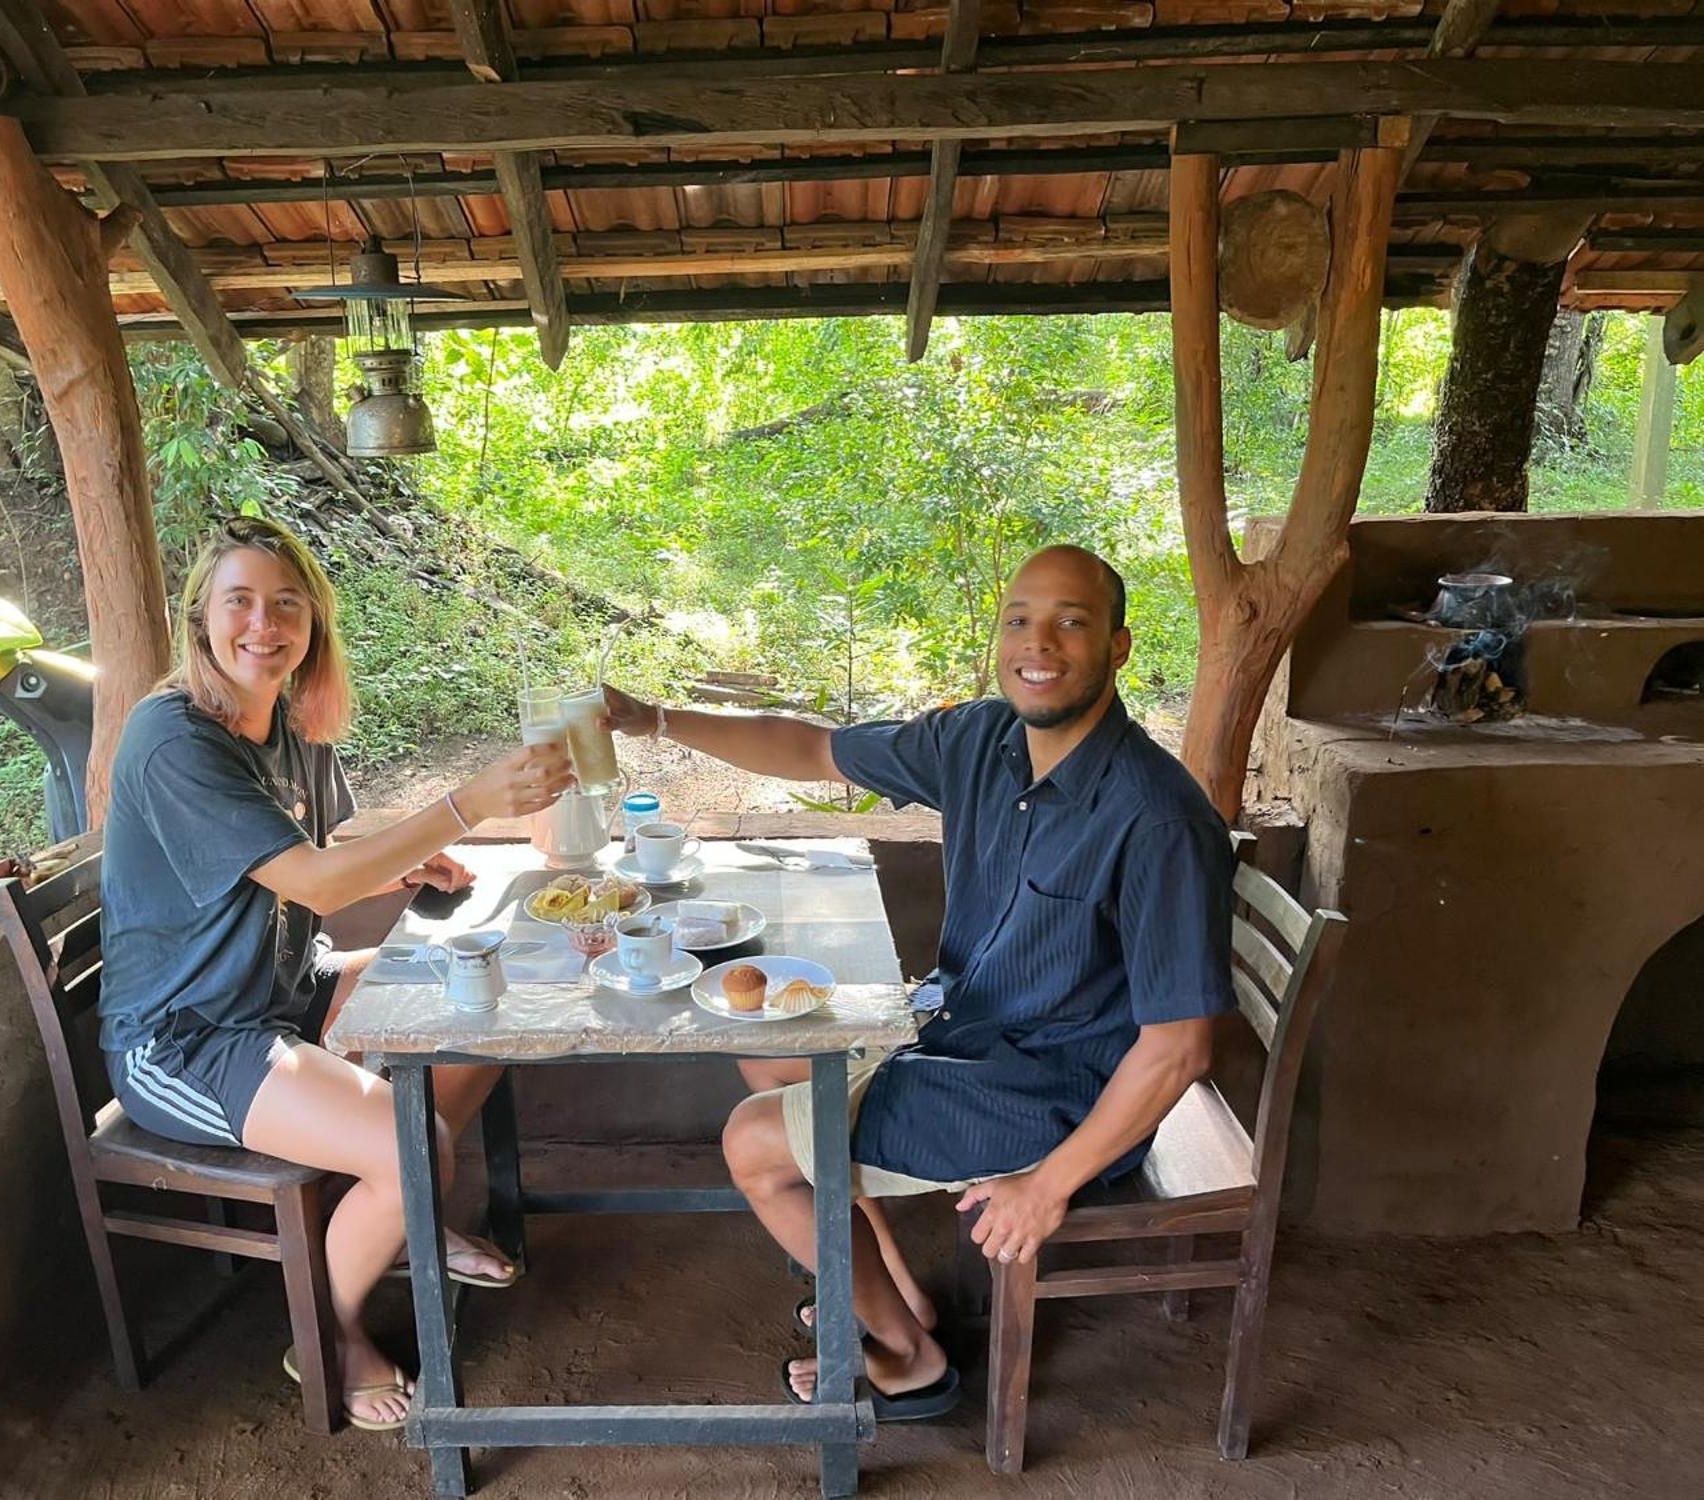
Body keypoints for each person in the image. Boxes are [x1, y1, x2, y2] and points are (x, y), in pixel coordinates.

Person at [602, 545, 1234, 1420]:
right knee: (773, 1056)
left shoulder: (1156, 818)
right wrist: (654, 719)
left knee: (756, 1145)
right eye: (1019, 619)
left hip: (1059, 1093)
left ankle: (908, 1358)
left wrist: (1047, 1185)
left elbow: (1178, 1048)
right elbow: (812, 748)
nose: (1037, 642)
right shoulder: (981, 741)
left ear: (1119, 648)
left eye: (1071, 621)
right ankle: (899, 1298)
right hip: (960, 1029)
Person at [92, 516, 574, 1430]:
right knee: (412, 1144)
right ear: (201, 616)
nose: (262, 626)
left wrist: (398, 870)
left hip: (285, 988)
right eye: (239, 602)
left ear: (313, 622)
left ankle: (401, 1216)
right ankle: (331, 1332)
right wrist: (468, 805)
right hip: (186, 1039)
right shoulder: (172, 736)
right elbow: (310, 880)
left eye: (285, 605)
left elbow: (300, 859)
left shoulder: (291, 719)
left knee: (487, 1005)